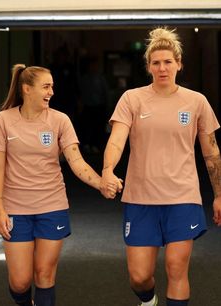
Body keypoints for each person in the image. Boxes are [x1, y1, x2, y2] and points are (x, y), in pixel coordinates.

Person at [100, 27, 221, 306]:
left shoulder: (196, 101)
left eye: (168, 61)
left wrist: (218, 194)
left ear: (179, 64)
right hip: (141, 197)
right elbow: (117, 140)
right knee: (139, 276)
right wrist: (107, 170)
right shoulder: (132, 98)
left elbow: (211, 152)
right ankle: (149, 299)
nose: (162, 68)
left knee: (177, 269)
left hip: (182, 197)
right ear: (148, 66)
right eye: (156, 62)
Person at [0, 64, 119, 306]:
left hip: (52, 206)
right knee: (20, 282)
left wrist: (101, 183)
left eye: (52, 87)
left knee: (44, 274)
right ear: (27, 89)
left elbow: (76, 161)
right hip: (16, 207)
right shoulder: (3, 120)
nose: (52, 92)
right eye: (46, 87)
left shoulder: (60, 120)